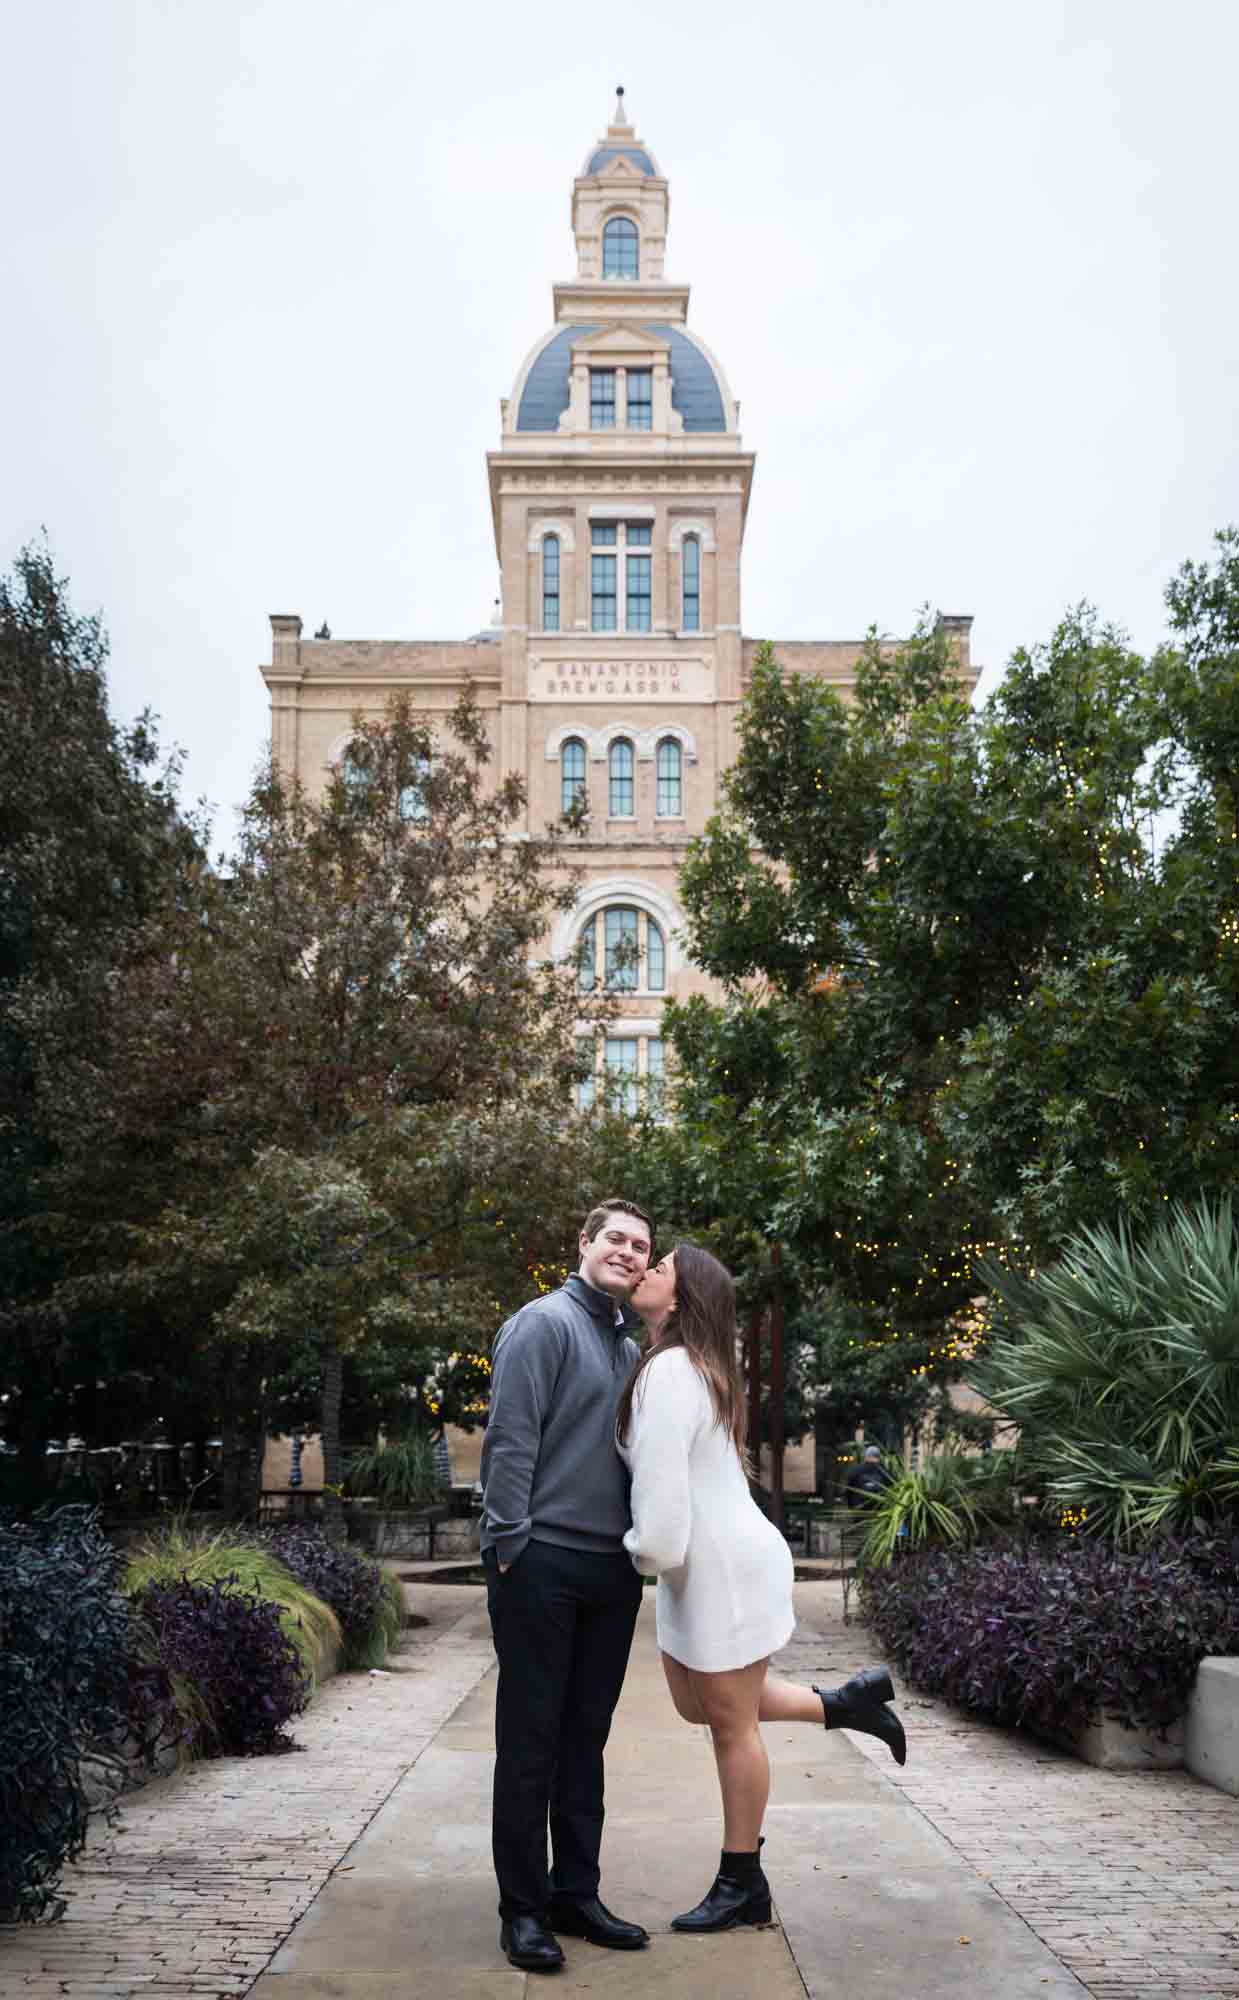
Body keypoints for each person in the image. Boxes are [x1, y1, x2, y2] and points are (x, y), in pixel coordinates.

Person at [617, 1243, 906, 1935]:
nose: (644, 1269)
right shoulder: (672, 1366)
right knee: (698, 1709)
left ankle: (740, 1882)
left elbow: (658, 1514)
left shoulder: (674, 1374)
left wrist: (631, 1558)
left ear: (682, 1299)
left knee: (729, 1725)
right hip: (702, 1565)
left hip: (719, 1567)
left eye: (659, 1267)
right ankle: (845, 1703)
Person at [479, 1197, 655, 1974]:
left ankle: (574, 1894)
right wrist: (507, 1546)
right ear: (583, 1244)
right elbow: (511, 1437)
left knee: (585, 1742)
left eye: (640, 1245)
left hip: (609, 1571)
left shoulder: (626, 1346)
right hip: (539, 1562)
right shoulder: (541, 1323)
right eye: (614, 1238)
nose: (627, 1251)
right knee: (530, 1743)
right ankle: (522, 1911)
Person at [845, 1444, 895, 1508]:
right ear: (879, 1457)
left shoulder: (856, 1470)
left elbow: (849, 1490)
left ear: (865, 1457)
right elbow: (893, 1489)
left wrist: (850, 1506)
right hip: (880, 1511)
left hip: (859, 1509)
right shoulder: (886, 1472)